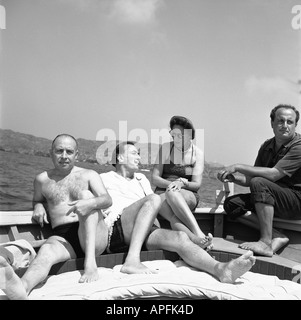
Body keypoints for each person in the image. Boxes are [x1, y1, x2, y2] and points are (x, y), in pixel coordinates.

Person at [100, 141, 256, 284]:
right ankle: (132, 261)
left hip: (143, 230)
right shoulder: (104, 178)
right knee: (153, 199)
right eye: (134, 153)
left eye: (139, 153)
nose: (139, 157)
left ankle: (221, 270)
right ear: (120, 158)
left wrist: (192, 234)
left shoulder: (141, 179)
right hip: (117, 229)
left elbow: (157, 207)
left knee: (181, 237)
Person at [0, 134, 112, 299]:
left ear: (76, 155)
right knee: (46, 251)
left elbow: (107, 199)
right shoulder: (41, 180)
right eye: (59, 151)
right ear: (51, 153)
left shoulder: (89, 174)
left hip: (94, 234)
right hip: (62, 236)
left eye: (69, 151)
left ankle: (90, 264)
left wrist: (89, 204)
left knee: (87, 196)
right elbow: (37, 199)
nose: (64, 156)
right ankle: (22, 288)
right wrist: (38, 206)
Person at [217, 104, 301, 257]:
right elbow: (250, 180)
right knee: (232, 204)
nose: (285, 126)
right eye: (280, 121)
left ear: (296, 125)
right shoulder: (267, 146)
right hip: (276, 197)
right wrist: (233, 178)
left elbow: (274, 175)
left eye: (290, 122)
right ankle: (277, 235)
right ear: (272, 124)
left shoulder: (299, 146)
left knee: (260, 183)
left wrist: (238, 166)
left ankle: (265, 243)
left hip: (297, 201)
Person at [152, 115, 212, 249]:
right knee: (172, 206)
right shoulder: (166, 148)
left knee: (173, 195)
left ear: (190, 136)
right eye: (174, 134)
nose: (176, 137)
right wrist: (172, 185)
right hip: (162, 190)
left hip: (187, 191)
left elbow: (196, 184)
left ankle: (197, 235)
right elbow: (155, 178)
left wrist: (182, 184)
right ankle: (197, 238)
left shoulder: (198, 153)